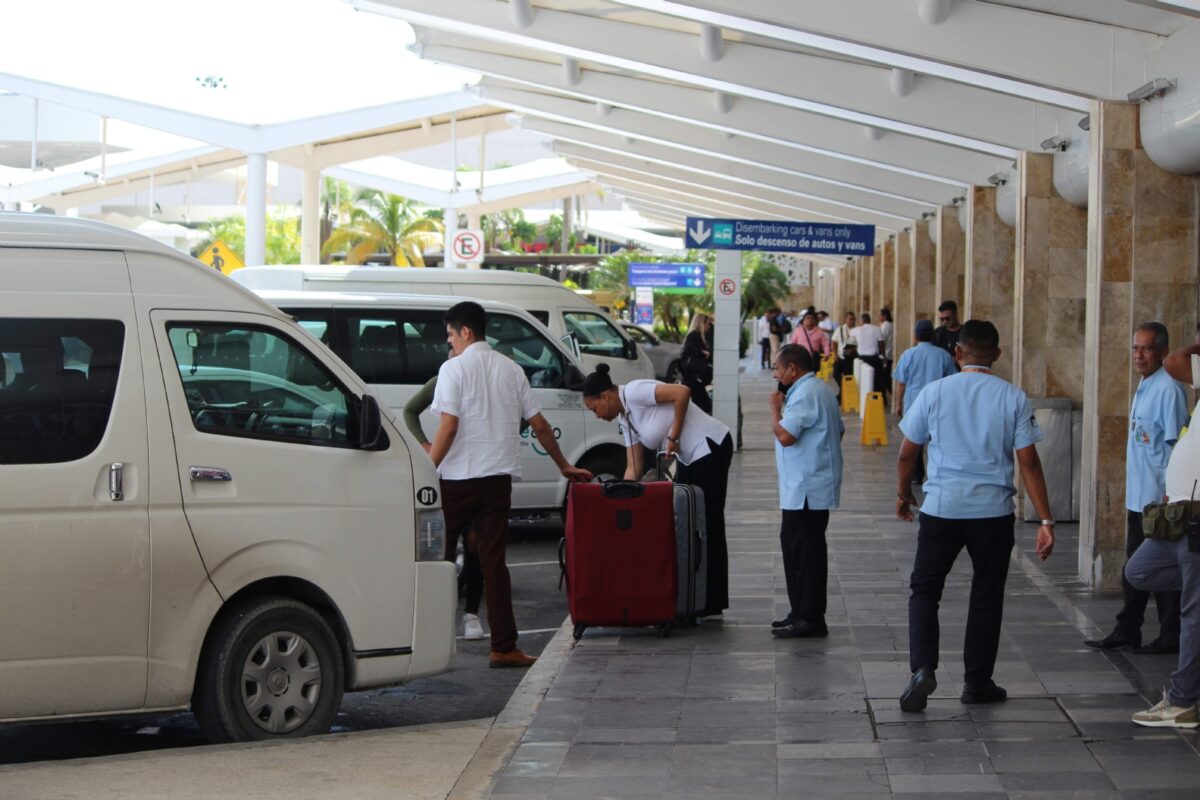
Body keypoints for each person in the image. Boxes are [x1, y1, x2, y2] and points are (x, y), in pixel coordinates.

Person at [894, 320, 1055, 712]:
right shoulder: (1012, 397)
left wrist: (903, 495)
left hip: (941, 509)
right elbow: (1029, 462)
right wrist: (1046, 521)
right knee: (986, 595)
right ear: (997, 354)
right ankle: (977, 682)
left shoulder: (934, 393)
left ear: (957, 353)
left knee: (925, 591)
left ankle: (923, 668)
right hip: (992, 513)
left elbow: (906, 453)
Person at [430, 301, 592, 668]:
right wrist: (564, 465)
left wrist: (428, 471)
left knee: (437, 563)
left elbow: (448, 426)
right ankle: (503, 647)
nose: (450, 343)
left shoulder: (453, 369)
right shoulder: (512, 369)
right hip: (497, 481)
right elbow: (539, 425)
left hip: (455, 481)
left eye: (451, 335)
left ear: (465, 332)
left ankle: (429, 643)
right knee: (494, 563)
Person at [582, 363, 733, 617]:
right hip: (688, 457)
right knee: (687, 524)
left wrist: (673, 437)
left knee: (707, 523)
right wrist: (618, 502)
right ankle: (693, 596)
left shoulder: (635, 392)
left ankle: (712, 600)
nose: (596, 415)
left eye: (594, 408)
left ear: (605, 396)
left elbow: (682, 392)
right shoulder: (625, 419)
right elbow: (634, 468)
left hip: (710, 446)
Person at [1086, 322, 1187, 654]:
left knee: (1160, 569)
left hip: (1159, 500)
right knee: (1135, 567)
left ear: (1162, 351)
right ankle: (1128, 628)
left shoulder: (1168, 390)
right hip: (1138, 497)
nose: (1139, 355)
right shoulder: (1145, 385)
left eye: (1145, 348)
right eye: (1135, 348)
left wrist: (1171, 496)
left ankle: (1170, 633)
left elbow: (1176, 448)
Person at [1125, 331, 1200, 729]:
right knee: (1139, 570)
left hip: (1195, 516)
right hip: (1177, 515)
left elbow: (1173, 362)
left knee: (1192, 612)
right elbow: (1176, 362)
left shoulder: (1171, 384)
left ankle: (1184, 700)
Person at [769, 345, 844, 638]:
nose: (775, 373)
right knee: (797, 548)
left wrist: (775, 410)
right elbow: (837, 431)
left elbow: (786, 436)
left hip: (806, 489)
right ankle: (800, 610)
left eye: (777, 368)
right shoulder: (818, 389)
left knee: (805, 552)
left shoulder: (805, 393)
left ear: (792, 368)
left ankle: (810, 617)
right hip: (808, 484)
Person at [405, 369, 484, 642]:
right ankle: (441, 617)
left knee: (476, 544)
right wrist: (426, 445)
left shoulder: (485, 377)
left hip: (479, 472)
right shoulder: (442, 378)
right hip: (447, 476)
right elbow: (410, 411)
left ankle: (471, 614)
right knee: (444, 548)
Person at [892, 319, 956, 484]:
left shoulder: (909, 354)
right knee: (937, 440)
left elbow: (901, 382)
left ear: (916, 336)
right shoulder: (944, 355)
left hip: (913, 404)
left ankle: (916, 475)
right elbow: (952, 379)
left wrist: (898, 403)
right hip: (939, 405)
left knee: (914, 441)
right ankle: (937, 473)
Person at [680, 312, 714, 414]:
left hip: (696, 381)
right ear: (701, 324)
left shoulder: (700, 336)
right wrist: (702, 353)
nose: (709, 326)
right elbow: (689, 351)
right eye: (708, 324)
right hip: (693, 381)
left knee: (702, 408)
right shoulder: (694, 336)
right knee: (704, 408)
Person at [855, 313, 886, 398]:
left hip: (862, 358)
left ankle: (863, 397)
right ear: (869, 320)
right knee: (876, 379)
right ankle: (876, 398)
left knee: (863, 379)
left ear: (862, 321)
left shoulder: (857, 329)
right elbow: (881, 343)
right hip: (873, 358)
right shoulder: (876, 328)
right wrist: (884, 357)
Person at [831, 311, 858, 400]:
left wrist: (853, 350)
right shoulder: (840, 329)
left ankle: (844, 394)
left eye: (853, 319)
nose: (852, 321)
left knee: (848, 375)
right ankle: (842, 390)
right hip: (841, 356)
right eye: (850, 319)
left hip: (852, 357)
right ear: (846, 320)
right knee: (836, 373)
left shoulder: (857, 330)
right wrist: (835, 354)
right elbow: (834, 342)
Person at [933, 300, 962, 366]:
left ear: (956, 314)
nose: (945, 321)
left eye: (948, 318)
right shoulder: (938, 333)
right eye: (942, 319)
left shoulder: (965, 333)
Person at [879, 307, 895, 402]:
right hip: (890, 355)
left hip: (886, 355)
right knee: (887, 377)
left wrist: (883, 356)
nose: (878, 317)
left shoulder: (885, 326)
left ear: (884, 316)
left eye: (880, 315)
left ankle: (886, 397)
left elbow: (882, 342)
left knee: (884, 378)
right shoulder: (891, 325)